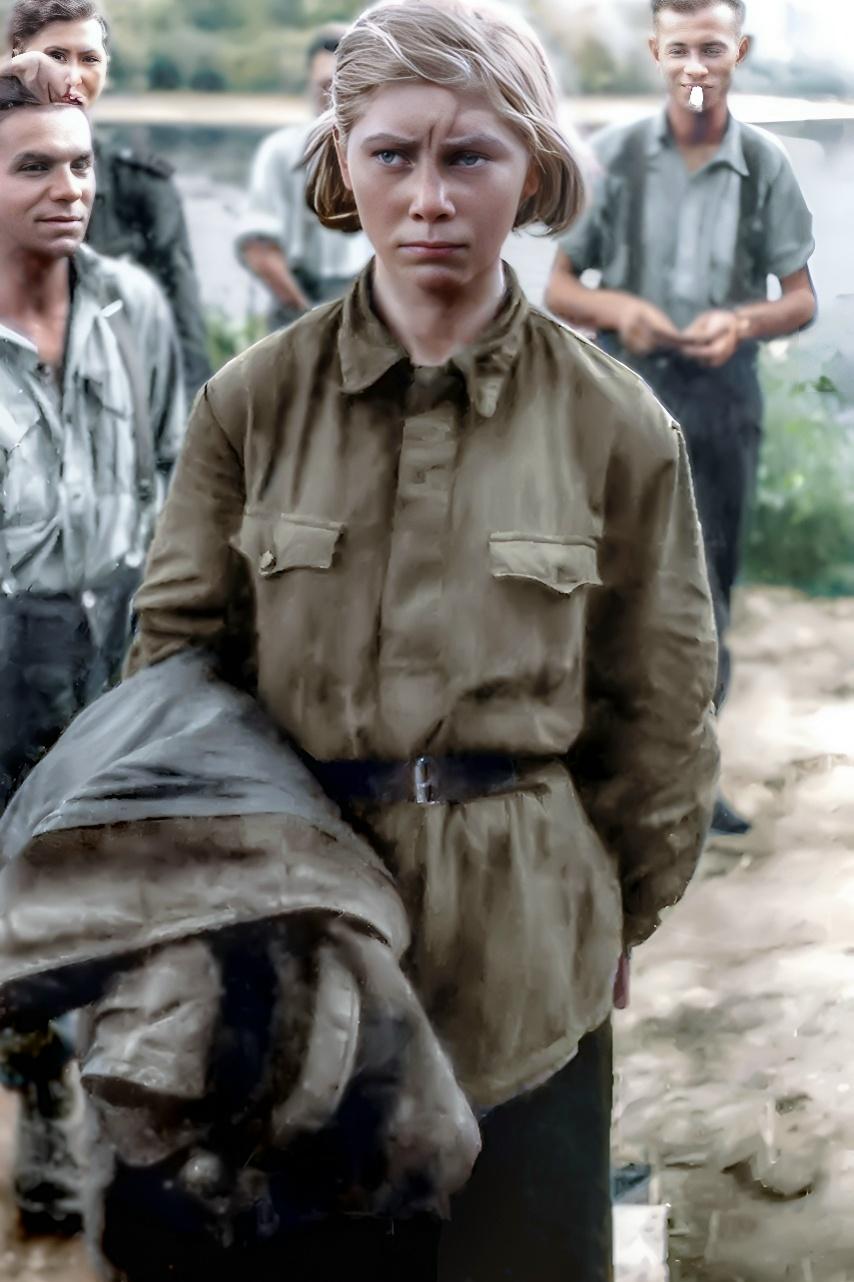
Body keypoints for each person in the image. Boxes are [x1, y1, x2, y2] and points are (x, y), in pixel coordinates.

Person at [119, 3, 721, 1277]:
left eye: (470, 156)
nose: (430, 197)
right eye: (392, 154)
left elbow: (660, 708)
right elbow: (172, 678)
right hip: (301, 956)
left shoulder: (616, 426)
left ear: (533, 171)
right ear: (342, 165)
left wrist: (614, 911)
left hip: (528, 962)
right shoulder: (251, 405)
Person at [545, 0, 816, 836]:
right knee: (612, 585)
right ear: (656, 51)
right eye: (680, 49)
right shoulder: (614, 156)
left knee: (709, 592)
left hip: (723, 399)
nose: (696, 66)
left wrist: (742, 322)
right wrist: (622, 309)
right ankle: (604, 780)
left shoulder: (764, 162)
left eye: (713, 48)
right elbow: (559, 289)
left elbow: (799, 299)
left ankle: (693, 780)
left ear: (741, 50)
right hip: (624, 398)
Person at [0, 80, 184, 1232]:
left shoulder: (134, 306)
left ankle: (135, 1125)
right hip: (6, 644)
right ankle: (42, 1104)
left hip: (121, 631)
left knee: (134, 885)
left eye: (79, 164)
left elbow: (173, 466)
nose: (69, 189)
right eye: (34, 166)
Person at [4, 0, 211, 398]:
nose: (72, 76)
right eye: (56, 56)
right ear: (18, 57)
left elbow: (184, 333)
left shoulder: (143, 189)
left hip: (117, 406)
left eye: (90, 59)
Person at [235, 24, 372, 331]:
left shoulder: (383, 152)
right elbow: (258, 248)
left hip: (366, 306)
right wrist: (306, 317)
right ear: (310, 83)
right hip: (298, 305)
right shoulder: (280, 152)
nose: (332, 96)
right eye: (325, 85)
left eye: (343, 85)